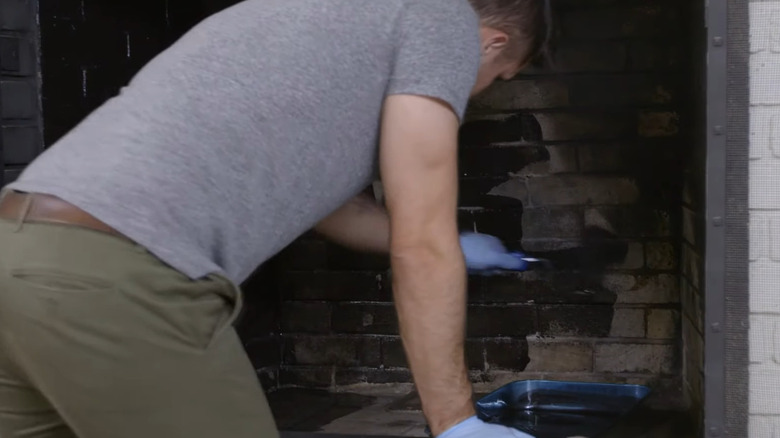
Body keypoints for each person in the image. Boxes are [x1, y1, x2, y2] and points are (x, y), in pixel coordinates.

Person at [0, 0, 550, 437]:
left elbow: (328, 205)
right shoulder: (444, 17)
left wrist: (454, 242)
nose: (478, 91)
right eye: (498, 77)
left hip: (20, 254)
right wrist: (458, 423)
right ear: (492, 43)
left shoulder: (307, 22)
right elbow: (421, 243)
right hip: (120, 277)